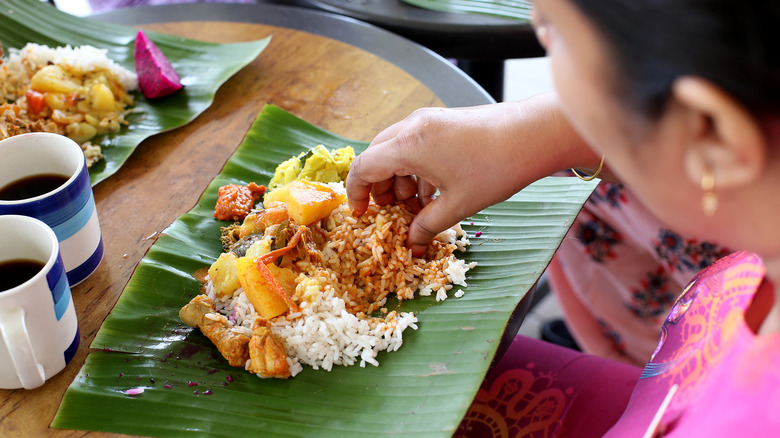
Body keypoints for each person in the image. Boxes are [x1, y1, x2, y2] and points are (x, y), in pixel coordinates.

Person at [345, 0, 780, 436]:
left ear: (712, 132)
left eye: (554, 32)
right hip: (676, 383)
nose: (538, 29)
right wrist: (540, 133)